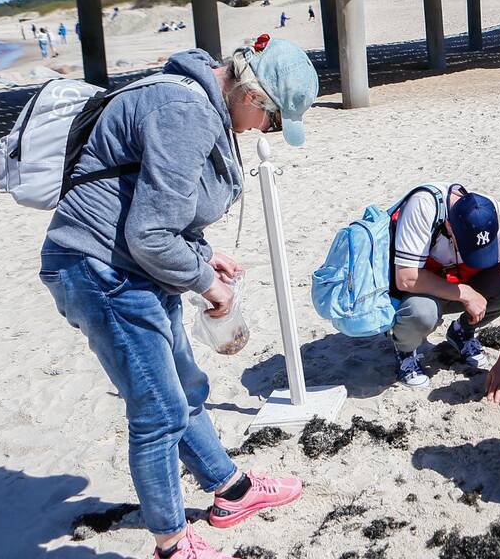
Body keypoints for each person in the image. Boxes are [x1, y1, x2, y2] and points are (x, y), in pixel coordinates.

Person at [39, 37, 319, 559]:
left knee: (186, 388)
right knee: (159, 409)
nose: (267, 132)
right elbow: (148, 233)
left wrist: (202, 255)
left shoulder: (196, 100)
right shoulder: (184, 109)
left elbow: (157, 201)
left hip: (132, 267)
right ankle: (171, 544)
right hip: (101, 271)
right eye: (274, 121)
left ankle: (230, 492)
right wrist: (206, 284)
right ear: (253, 97)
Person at [388, 183, 500, 395]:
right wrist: (464, 293)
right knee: (422, 313)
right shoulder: (423, 207)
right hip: (419, 290)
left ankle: (461, 331)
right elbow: (406, 278)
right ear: (449, 226)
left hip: (460, 280)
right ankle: (405, 350)